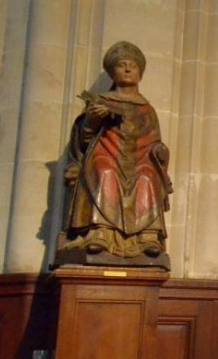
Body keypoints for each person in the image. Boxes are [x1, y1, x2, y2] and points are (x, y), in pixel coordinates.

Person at [59, 41, 172, 263]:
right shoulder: (101, 101)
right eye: (122, 65)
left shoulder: (147, 109)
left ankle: (147, 236)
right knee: (105, 171)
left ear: (140, 73)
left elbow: (154, 142)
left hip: (140, 160)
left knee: (147, 176)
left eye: (133, 66)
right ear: (113, 72)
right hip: (106, 154)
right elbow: (83, 140)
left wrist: (160, 151)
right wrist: (93, 119)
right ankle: (100, 231)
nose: (128, 69)